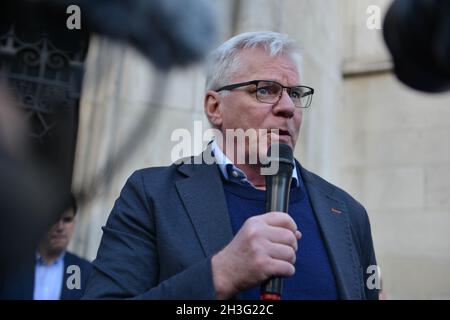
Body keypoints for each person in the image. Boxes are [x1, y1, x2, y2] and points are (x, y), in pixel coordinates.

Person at [83, 31, 379, 300]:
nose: (288, 107)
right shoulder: (152, 195)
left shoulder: (347, 212)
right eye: (265, 90)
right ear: (215, 108)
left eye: (296, 93)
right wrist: (219, 275)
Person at [1, 194, 92, 300]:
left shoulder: (84, 271)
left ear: (74, 223)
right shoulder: (12, 266)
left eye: (67, 220)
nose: (60, 227)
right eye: (54, 219)